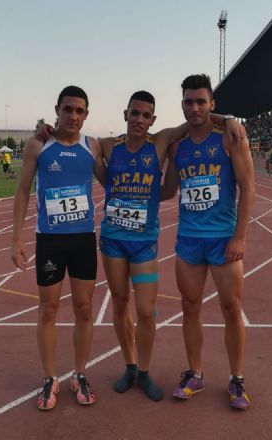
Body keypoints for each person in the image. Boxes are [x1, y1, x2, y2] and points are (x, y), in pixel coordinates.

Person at [35, 93, 243, 402]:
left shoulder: (159, 143)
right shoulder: (105, 146)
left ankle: (144, 372)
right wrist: (46, 128)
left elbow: (194, 120)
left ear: (153, 120)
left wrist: (228, 119)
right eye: (135, 113)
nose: (140, 120)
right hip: (113, 242)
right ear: (125, 114)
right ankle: (130, 366)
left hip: (144, 242)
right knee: (120, 304)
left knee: (146, 311)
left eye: (146, 115)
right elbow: (70, 136)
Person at [11, 85, 106, 411]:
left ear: (87, 114)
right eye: (68, 109)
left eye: (80, 111)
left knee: (83, 309)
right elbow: (23, 191)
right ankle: (50, 378)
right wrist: (16, 238)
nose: (73, 116)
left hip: (82, 239)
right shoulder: (39, 145)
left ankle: (80, 373)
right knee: (48, 310)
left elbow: (116, 173)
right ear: (57, 110)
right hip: (50, 240)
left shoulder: (92, 146)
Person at [163, 74, 254, 410]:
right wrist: (128, 191)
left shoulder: (229, 137)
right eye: (189, 101)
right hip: (189, 239)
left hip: (223, 239)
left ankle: (236, 379)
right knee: (190, 308)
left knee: (232, 310)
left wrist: (240, 236)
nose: (195, 107)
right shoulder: (178, 145)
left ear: (212, 104)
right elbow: (170, 190)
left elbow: (248, 187)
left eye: (201, 101)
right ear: (182, 104)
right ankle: (195, 373)